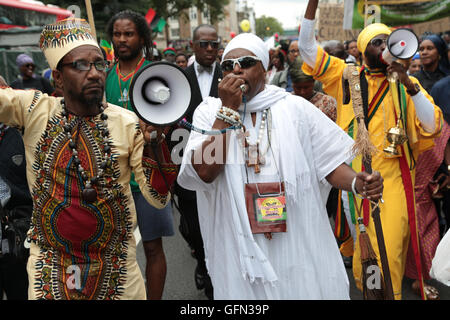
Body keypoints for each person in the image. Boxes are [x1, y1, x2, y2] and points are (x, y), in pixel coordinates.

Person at [177, 32, 384, 300]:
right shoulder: (209, 111)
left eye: (246, 61)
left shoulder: (295, 108)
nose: (236, 69)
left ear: (264, 68)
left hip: (295, 234)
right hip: (237, 239)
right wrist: (227, 112)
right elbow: (204, 173)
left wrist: (357, 183)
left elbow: (329, 164)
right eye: (228, 64)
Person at [0, 18, 177, 300]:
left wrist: (157, 145)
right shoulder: (34, 109)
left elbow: (157, 197)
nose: (94, 73)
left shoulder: (128, 123)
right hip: (51, 268)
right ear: (58, 77)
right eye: (81, 65)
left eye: (99, 64)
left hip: (117, 271)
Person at [299, 0, 443, 300]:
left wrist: (408, 83)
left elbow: (431, 126)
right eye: (377, 42)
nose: (386, 46)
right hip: (357, 181)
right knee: (369, 260)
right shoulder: (345, 76)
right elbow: (308, 50)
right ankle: (374, 296)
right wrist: (312, 5)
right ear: (363, 51)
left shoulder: (408, 82)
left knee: (389, 250)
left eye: (389, 40)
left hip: (396, 183)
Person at [105, 10, 175, 300]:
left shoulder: (155, 73)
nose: (122, 40)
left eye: (128, 34)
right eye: (117, 34)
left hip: (148, 176)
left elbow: (169, 120)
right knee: (113, 249)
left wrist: (156, 132)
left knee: (151, 247)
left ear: (142, 38)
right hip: (112, 178)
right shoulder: (103, 75)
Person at [175, 23, 222, 300]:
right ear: (192, 46)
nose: (208, 49)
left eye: (214, 44)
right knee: (191, 224)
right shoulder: (177, 77)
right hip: (186, 160)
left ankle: (217, 275)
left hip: (222, 162)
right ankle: (202, 261)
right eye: (203, 44)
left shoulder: (231, 74)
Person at [290, 56, 336, 122]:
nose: (302, 92)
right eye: (298, 88)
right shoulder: (286, 102)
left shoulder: (326, 103)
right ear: (292, 84)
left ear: (313, 82)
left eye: (306, 87)